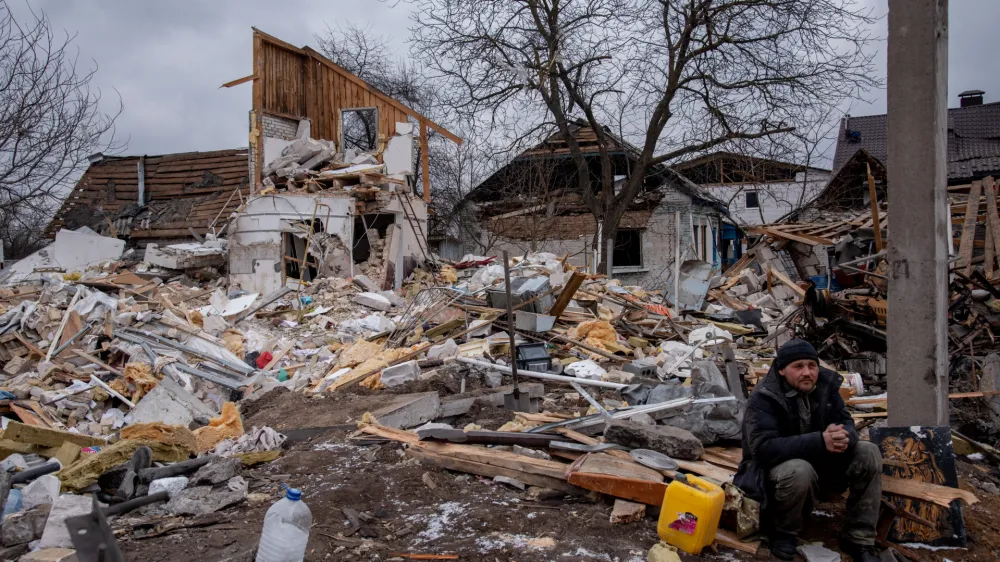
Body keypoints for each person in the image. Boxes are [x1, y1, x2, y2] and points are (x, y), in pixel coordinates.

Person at [734, 339, 882, 561]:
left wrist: (845, 437)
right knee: (799, 469)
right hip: (769, 474)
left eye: (812, 366)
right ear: (782, 370)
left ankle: (858, 537)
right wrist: (821, 441)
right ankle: (784, 532)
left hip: (822, 465)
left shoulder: (825, 386)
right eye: (798, 366)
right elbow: (762, 449)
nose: (807, 372)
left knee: (868, 452)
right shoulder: (764, 398)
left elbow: (847, 422)